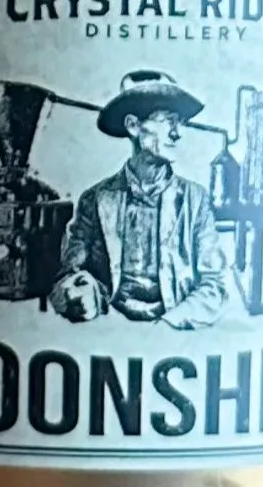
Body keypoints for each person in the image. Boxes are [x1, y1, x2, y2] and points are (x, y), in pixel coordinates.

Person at [49, 72, 234, 327]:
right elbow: (68, 274)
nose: (178, 133)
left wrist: (170, 323)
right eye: (168, 121)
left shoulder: (195, 200)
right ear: (133, 126)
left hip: (174, 329)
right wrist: (82, 291)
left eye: (180, 122)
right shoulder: (96, 199)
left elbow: (216, 285)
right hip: (109, 326)